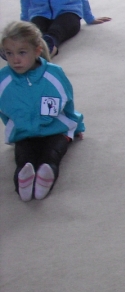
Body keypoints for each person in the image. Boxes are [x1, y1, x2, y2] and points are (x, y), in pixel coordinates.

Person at [0, 21, 84, 202]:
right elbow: (4, 112)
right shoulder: (3, 80)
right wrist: (14, 128)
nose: (15, 60)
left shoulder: (54, 74)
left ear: (37, 51)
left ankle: (46, 175)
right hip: (24, 133)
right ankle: (23, 183)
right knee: (23, 159)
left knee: (52, 155)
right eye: (9, 53)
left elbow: (68, 103)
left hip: (56, 129)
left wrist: (77, 127)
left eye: (22, 52)